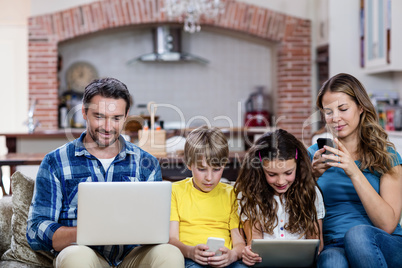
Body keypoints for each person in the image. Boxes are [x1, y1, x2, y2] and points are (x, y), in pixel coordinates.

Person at [26, 77, 184, 267]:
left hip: (132, 257)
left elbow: (157, 228)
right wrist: (85, 232)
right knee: (77, 257)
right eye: (99, 116)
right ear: (84, 113)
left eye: (116, 118)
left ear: (126, 116)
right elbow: (35, 231)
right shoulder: (55, 162)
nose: (108, 128)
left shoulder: (146, 163)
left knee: (170, 254)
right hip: (84, 253)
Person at [308, 73, 402, 268]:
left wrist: (354, 171)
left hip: (381, 243)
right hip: (334, 245)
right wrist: (311, 178)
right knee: (331, 262)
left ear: (360, 107)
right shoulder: (313, 156)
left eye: (343, 109)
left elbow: (387, 225)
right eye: (328, 112)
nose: (335, 118)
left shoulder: (386, 155)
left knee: (357, 235)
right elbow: (292, 210)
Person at [235, 129, 325, 267]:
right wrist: (248, 254)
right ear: (260, 169)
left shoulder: (310, 193)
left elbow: (316, 245)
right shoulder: (249, 194)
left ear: (298, 166)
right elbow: (254, 242)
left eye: (288, 173)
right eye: (272, 174)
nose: (281, 181)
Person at [169, 126, 247, 268]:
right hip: (190, 259)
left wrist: (232, 255)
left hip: (226, 260)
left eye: (217, 169)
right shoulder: (175, 191)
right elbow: (171, 240)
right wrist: (190, 252)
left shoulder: (232, 194)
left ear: (224, 165)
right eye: (202, 169)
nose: (209, 178)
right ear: (189, 164)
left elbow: (240, 244)